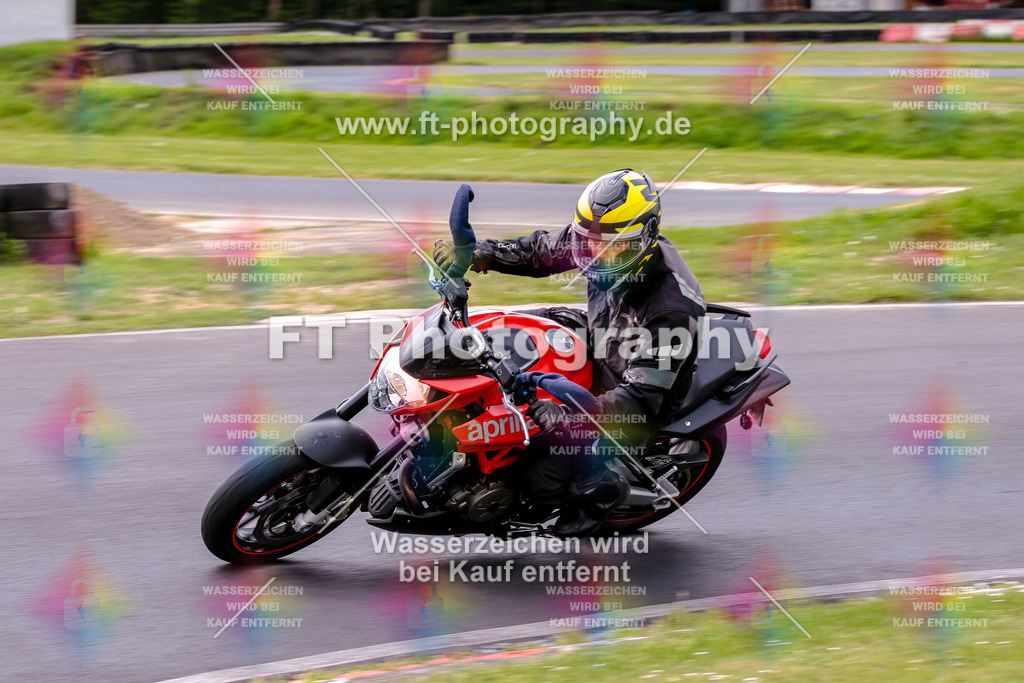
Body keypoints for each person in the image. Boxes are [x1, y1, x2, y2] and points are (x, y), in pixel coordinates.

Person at [434, 169, 706, 537]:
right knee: (509, 339)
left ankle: (599, 492)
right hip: (603, 338)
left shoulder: (671, 309)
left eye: (612, 246)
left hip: (635, 394)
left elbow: (641, 399)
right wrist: (479, 254)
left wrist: (564, 416)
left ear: (646, 237)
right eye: (589, 241)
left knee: (538, 471)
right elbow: (541, 251)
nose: (596, 254)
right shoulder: (601, 238)